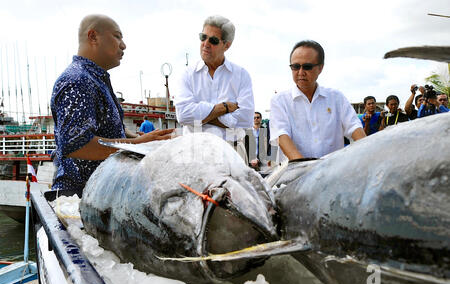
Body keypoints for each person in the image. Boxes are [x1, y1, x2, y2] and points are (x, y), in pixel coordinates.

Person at [50, 14, 173, 192]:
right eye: (117, 36)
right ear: (93, 37)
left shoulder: (93, 78)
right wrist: (137, 145)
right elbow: (76, 144)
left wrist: (141, 139)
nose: (123, 45)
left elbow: (107, 128)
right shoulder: (77, 80)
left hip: (102, 191)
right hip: (81, 196)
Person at [175, 15, 254, 164]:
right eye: (203, 37)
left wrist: (202, 117)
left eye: (213, 40)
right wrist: (223, 108)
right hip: (194, 156)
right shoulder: (187, 75)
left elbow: (246, 119)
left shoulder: (241, 75)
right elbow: (183, 115)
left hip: (233, 155)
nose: (206, 44)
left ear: (227, 45)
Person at [269, 40, 365, 161]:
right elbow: (281, 136)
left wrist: (369, 156)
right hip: (296, 176)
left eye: (307, 67)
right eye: (295, 67)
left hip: (333, 172)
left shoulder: (336, 98)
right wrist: (305, 168)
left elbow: (354, 128)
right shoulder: (280, 101)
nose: (300, 72)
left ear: (320, 68)